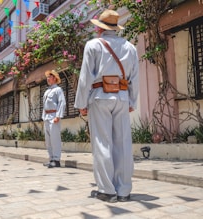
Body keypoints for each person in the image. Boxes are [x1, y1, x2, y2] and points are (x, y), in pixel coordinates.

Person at [74, 9, 139, 203]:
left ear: (99, 28)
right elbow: (134, 77)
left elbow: (85, 77)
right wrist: (132, 101)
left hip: (100, 96)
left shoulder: (93, 45)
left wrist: (81, 103)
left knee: (103, 143)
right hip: (122, 96)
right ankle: (124, 190)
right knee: (123, 144)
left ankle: (107, 190)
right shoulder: (130, 47)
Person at [42, 70, 66, 168]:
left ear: (54, 78)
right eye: (47, 77)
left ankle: (56, 160)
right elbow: (44, 105)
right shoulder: (47, 91)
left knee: (55, 139)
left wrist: (58, 116)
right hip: (46, 116)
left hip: (53, 116)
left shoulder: (58, 90)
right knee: (48, 140)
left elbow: (62, 103)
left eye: (50, 77)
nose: (48, 79)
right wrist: (43, 116)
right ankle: (51, 158)